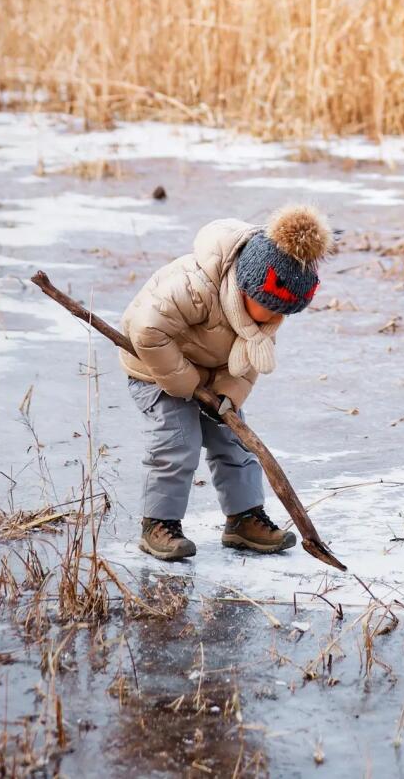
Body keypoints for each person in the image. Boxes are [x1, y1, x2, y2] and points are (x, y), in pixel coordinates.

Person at [120, 203, 330, 561]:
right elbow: (146, 331)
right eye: (272, 307)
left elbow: (247, 364)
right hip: (154, 368)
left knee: (234, 441)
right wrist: (185, 383)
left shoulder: (263, 317)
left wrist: (227, 397)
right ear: (247, 287)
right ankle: (159, 524)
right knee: (177, 443)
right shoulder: (196, 288)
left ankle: (244, 518)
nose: (277, 319)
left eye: (284, 312)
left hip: (208, 373)